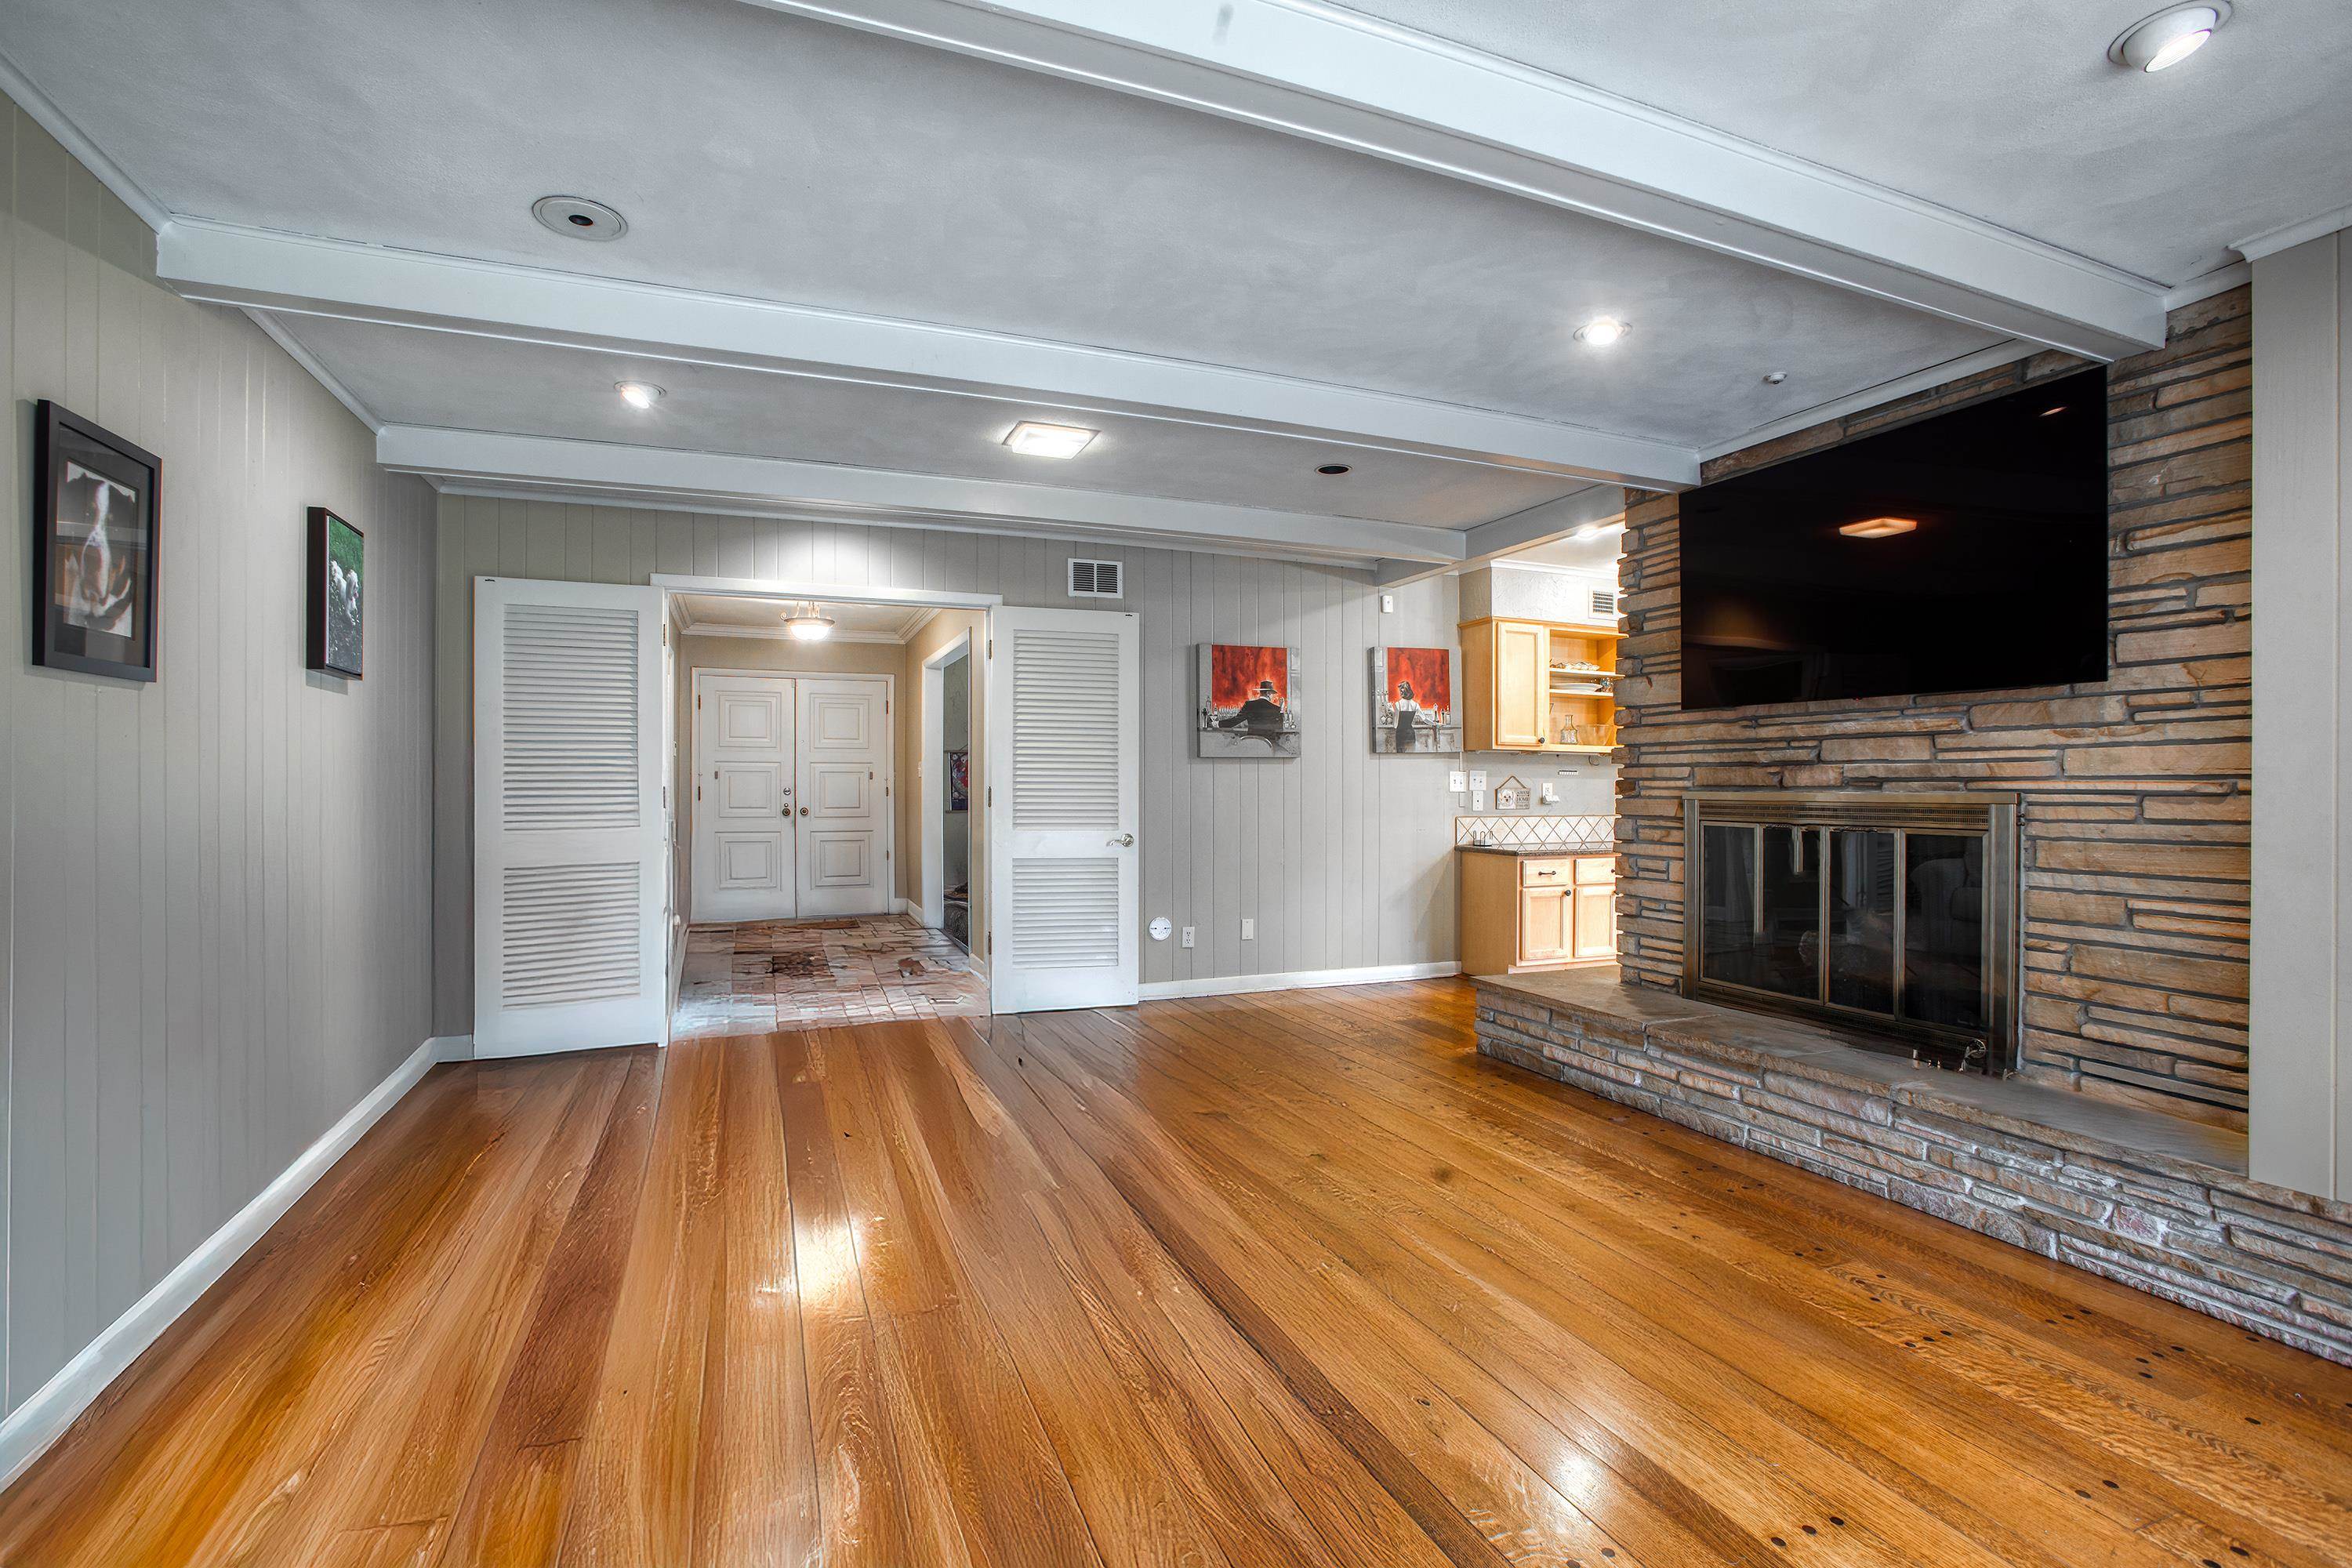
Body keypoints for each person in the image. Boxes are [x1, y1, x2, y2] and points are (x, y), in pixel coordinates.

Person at [1218, 677, 1288, 744]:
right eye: (1272, 694)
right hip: (1268, 745)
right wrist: (1281, 710)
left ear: (1261, 692)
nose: (1272, 696)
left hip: (1252, 743)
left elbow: (1235, 720)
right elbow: (1280, 728)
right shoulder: (1275, 708)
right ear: (1268, 693)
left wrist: (1218, 724)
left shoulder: (1249, 705)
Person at [1391, 678, 1421, 752]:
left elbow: (1395, 725)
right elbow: (1425, 719)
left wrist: (1392, 711)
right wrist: (1435, 724)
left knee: (1401, 756)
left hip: (1401, 735)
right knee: (1411, 755)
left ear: (1404, 691)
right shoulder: (1415, 705)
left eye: (1401, 691)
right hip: (1411, 734)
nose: (1400, 693)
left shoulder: (1398, 704)